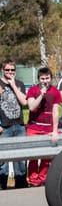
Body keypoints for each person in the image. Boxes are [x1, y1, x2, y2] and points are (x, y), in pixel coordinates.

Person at [26, 67, 61, 187]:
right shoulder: (32, 90)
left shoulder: (55, 92)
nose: (45, 81)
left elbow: (55, 111)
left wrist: (55, 131)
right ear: (38, 79)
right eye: (42, 78)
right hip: (34, 128)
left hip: (48, 129)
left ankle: (43, 178)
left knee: (46, 157)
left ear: (50, 78)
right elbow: (31, 107)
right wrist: (41, 95)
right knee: (33, 156)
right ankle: (33, 180)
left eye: (47, 78)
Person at [0, 60, 28, 189]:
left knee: (20, 159)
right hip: (4, 127)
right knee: (2, 160)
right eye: (7, 70)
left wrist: (13, 85)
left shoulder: (19, 84)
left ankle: (21, 185)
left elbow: (24, 103)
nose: (10, 72)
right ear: (2, 70)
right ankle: (2, 185)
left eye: (12, 70)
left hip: (19, 125)